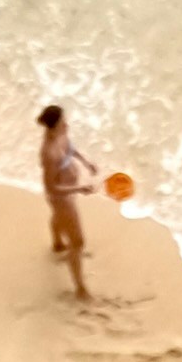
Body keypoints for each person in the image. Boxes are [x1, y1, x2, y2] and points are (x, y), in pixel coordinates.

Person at [39, 103, 106, 304]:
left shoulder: (61, 135)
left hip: (67, 193)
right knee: (77, 242)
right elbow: (51, 188)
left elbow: (70, 148)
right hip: (62, 198)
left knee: (58, 218)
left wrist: (86, 162)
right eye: (62, 122)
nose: (66, 124)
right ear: (53, 126)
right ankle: (80, 288)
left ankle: (58, 243)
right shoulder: (49, 154)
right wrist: (79, 189)